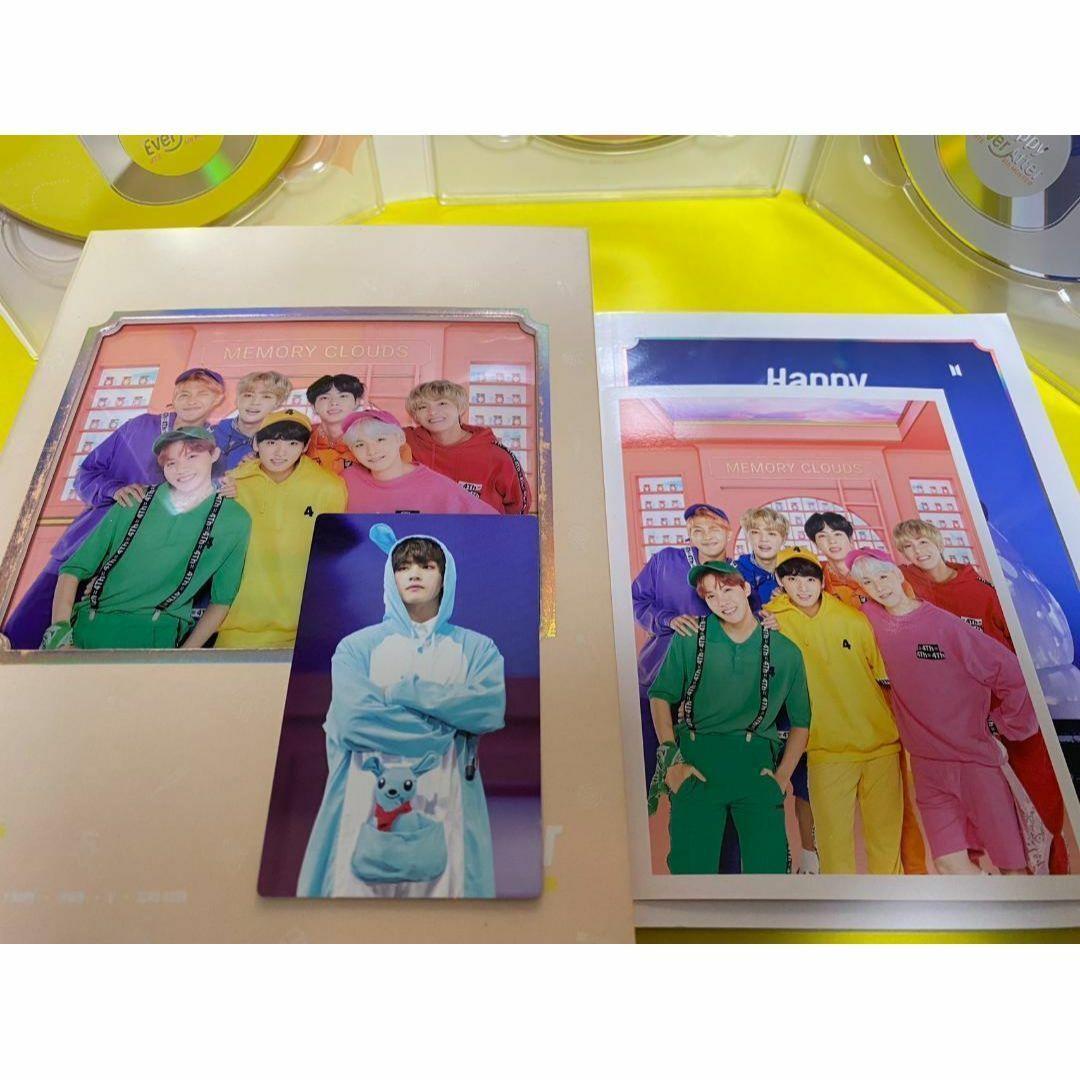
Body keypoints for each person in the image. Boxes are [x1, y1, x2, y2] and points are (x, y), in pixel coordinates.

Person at [298, 525, 507, 898]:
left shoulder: (478, 649)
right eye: (403, 567)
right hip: (361, 800)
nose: (414, 574)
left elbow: (487, 710)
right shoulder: (356, 648)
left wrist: (403, 692)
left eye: (427, 565)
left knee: (448, 916)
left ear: (445, 577)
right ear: (389, 577)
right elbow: (353, 722)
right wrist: (444, 726)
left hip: (448, 800)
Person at [848, 548, 1047, 875]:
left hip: (975, 762)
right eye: (868, 582)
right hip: (927, 766)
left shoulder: (944, 626)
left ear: (898, 574)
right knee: (948, 864)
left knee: (1013, 867)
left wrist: (1002, 725)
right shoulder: (871, 620)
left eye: (883, 576)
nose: (879, 586)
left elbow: (1011, 672)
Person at [2, 367, 226, 649]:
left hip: (141, 570)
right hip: (86, 546)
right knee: (22, 636)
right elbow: (86, 474)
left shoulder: (216, 446)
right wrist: (114, 489)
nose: (191, 400)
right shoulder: (138, 427)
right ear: (173, 396)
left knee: (96, 652)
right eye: (184, 393)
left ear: (218, 399)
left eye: (202, 393)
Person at [893, 518, 1069, 873]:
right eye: (907, 547)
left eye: (922, 542)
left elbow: (1022, 660)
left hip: (1006, 719)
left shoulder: (986, 593)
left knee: (1038, 803)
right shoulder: (906, 587)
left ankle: (1052, 879)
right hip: (957, 728)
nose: (917, 552)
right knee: (968, 824)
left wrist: (1004, 720)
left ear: (938, 542)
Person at [648, 560, 811, 875]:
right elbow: (660, 695)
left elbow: (801, 723)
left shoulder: (786, 651)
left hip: (755, 767)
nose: (722, 601)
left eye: (727, 590)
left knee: (769, 872)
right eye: (711, 596)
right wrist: (672, 760)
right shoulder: (690, 638)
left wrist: (781, 779)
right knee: (691, 873)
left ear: (746, 588)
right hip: (697, 761)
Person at [44, 427, 251, 650]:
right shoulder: (133, 500)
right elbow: (73, 569)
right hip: (87, 629)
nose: (182, 469)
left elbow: (222, 600)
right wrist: (60, 637)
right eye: (171, 463)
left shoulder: (235, 519)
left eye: (192, 456)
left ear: (214, 454)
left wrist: (184, 656)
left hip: (156, 638)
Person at [764, 548, 903, 874]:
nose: (802, 587)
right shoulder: (774, 624)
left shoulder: (853, 619)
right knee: (834, 851)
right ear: (781, 581)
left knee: (886, 846)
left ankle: (891, 904)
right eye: (792, 579)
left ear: (822, 580)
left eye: (810, 579)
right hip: (826, 752)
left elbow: (885, 680)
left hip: (881, 747)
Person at [215, 410, 347, 649]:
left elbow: (332, 558)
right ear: (256, 444)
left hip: (304, 628)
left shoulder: (330, 487)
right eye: (271, 442)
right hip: (238, 626)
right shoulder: (233, 483)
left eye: (292, 443)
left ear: (305, 447)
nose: (280, 452)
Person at [403, 380, 531, 515]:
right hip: (423, 527)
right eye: (422, 407)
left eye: (442, 403)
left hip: (482, 527)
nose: (433, 412)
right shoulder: (405, 440)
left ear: (460, 408)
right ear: (415, 416)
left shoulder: (495, 454)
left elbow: (519, 506)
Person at [341, 409, 497, 515]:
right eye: (360, 444)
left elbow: (491, 522)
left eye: (380, 439)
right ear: (352, 450)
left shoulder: (436, 486)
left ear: (400, 439)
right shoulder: (348, 479)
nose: (372, 451)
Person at [213, 370, 293, 470]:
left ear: (277, 403)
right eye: (248, 395)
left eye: (266, 396)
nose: (255, 402)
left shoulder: (282, 445)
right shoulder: (211, 434)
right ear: (237, 399)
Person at [804, 510, 869, 608]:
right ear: (816, 544)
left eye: (837, 534)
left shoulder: (874, 566)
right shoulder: (815, 575)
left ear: (850, 539)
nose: (832, 541)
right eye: (822, 536)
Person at [305, 373, 365, 475]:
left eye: (343, 396)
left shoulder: (371, 437)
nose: (334, 402)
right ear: (313, 407)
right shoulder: (302, 436)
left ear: (357, 402)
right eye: (325, 397)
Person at [735, 506, 790, 607]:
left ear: (784, 538)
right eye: (755, 532)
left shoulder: (795, 571)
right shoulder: (735, 573)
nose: (763, 539)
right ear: (747, 536)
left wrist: (791, 602)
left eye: (771, 534)